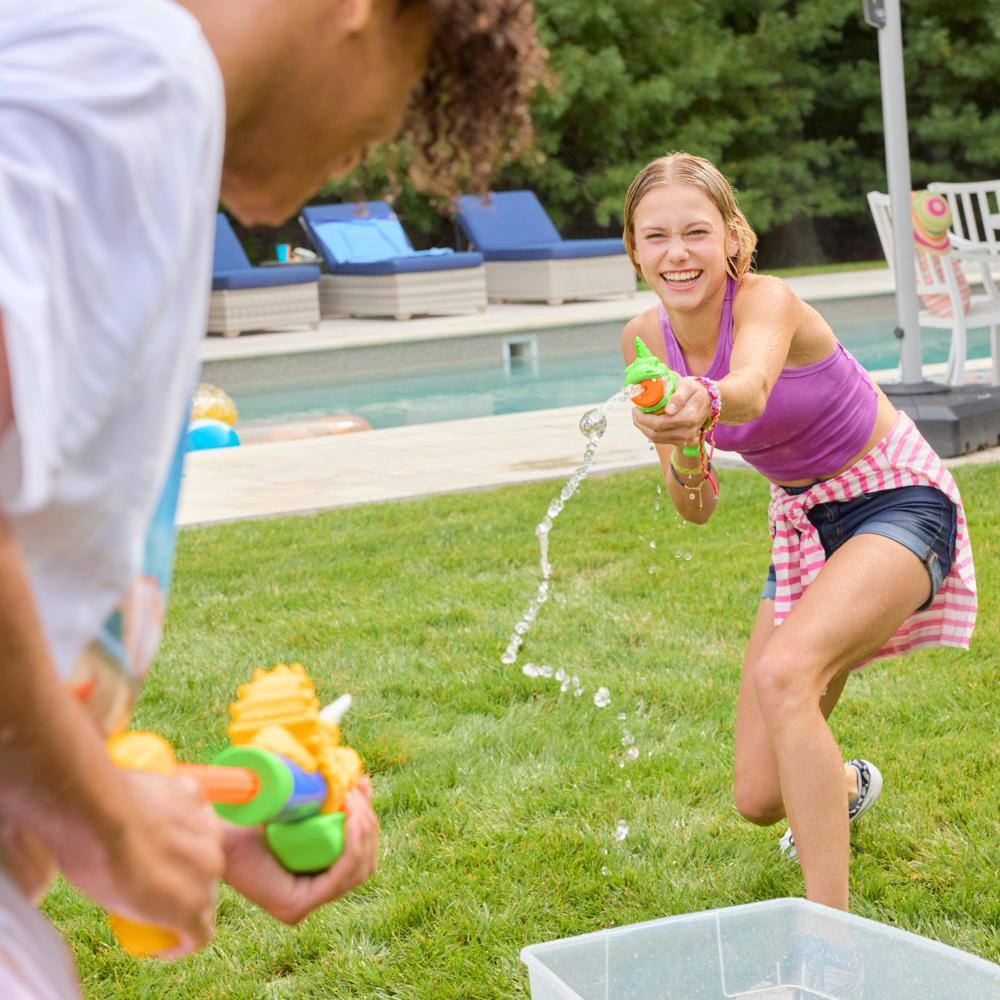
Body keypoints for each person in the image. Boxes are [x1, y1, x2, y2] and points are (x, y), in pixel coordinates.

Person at [0, 0, 544, 994]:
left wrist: (149, 802)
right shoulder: (133, 70)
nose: (381, 139)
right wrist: (104, 816)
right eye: (409, 79)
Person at [620, 152, 977, 912]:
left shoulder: (767, 301)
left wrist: (702, 402)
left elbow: (747, 390)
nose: (677, 253)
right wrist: (681, 449)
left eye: (695, 232)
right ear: (634, 249)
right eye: (656, 237)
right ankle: (845, 785)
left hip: (895, 496)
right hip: (804, 525)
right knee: (757, 795)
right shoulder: (641, 343)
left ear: (730, 237)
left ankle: (830, 944)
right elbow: (698, 506)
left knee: (787, 675)